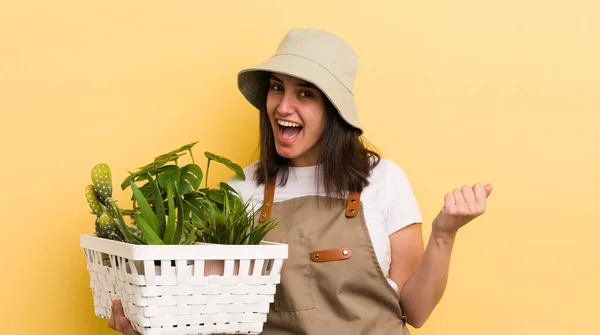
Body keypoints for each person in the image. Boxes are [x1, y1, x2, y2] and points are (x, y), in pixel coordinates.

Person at [109, 28, 493, 335]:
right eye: (277, 87)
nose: (282, 106)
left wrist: (445, 234)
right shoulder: (244, 188)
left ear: (334, 111)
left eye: (304, 93)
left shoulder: (384, 180)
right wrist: (151, 325)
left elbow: (417, 311)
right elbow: (220, 323)